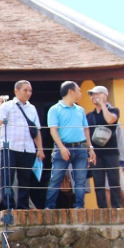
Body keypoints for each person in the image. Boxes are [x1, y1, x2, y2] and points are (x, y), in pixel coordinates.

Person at [45, 81, 95, 210]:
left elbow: (86, 130)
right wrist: (61, 147)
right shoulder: (55, 109)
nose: (80, 93)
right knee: (56, 178)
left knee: (81, 179)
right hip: (63, 147)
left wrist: (90, 148)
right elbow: (53, 130)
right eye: (78, 90)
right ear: (70, 91)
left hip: (80, 148)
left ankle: (79, 206)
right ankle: (49, 207)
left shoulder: (80, 110)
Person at [0, 80, 44, 210]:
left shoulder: (32, 108)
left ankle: (23, 207)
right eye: (25, 90)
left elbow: (36, 130)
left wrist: (40, 149)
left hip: (27, 148)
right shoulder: (7, 106)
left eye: (30, 91)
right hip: (10, 147)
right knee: (7, 178)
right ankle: (9, 206)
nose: (28, 93)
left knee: (25, 180)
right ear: (16, 91)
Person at [87, 85, 121, 208]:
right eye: (91, 94)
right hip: (96, 154)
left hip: (111, 152)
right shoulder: (89, 116)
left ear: (104, 95)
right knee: (98, 183)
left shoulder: (114, 111)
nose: (93, 97)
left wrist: (103, 105)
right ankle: (102, 210)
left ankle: (116, 208)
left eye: (96, 94)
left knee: (114, 182)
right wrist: (89, 151)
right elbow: (87, 135)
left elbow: (110, 120)